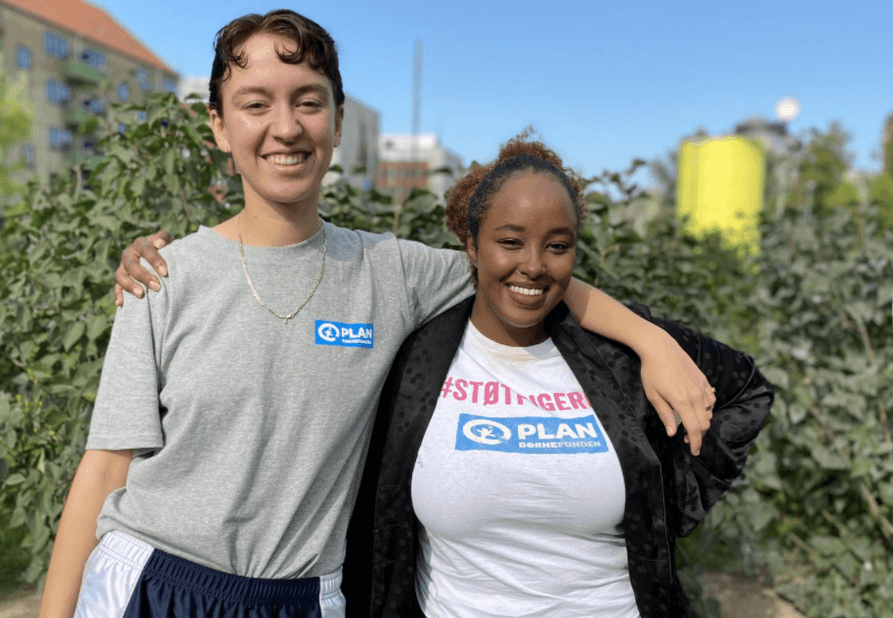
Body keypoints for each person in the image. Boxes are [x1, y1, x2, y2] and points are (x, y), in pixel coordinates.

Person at [43, 9, 717, 618]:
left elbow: (522, 272)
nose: (286, 126)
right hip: (153, 582)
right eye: (255, 104)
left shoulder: (391, 272)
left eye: (308, 102)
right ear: (219, 125)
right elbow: (104, 470)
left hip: (303, 596)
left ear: (338, 120)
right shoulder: (163, 277)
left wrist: (651, 341)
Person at [341, 136, 774, 617]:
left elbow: (744, 390)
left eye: (557, 246)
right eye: (509, 241)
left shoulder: (617, 356)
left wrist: (663, 502)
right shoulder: (415, 361)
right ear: (471, 244)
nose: (533, 264)